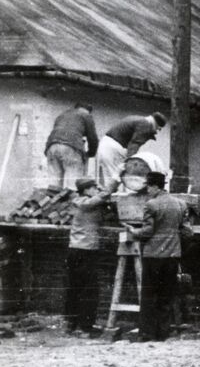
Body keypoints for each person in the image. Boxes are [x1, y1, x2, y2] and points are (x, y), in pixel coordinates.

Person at [126, 172, 192, 341]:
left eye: (148, 186)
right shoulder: (180, 204)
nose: (147, 190)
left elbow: (147, 231)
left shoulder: (151, 205)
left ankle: (147, 333)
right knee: (166, 295)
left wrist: (134, 232)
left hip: (153, 255)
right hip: (172, 255)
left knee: (149, 295)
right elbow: (187, 232)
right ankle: (163, 333)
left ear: (155, 186)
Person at [64, 178, 111, 335]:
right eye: (93, 187)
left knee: (74, 286)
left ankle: (71, 323)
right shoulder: (85, 203)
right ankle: (86, 326)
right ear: (85, 190)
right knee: (89, 288)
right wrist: (114, 181)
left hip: (74, 249)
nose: (96, 189)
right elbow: (103, 196)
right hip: (86, 251)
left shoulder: (78, 202)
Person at [97, 112, 168, 187]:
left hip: (107, 146)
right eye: (158, 129)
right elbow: (134, 145)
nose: (157, 131)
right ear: (156, 124)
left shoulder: (139, 119)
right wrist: (131, 162)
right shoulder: (145, 124)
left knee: (111, 177)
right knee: (115, 177)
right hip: (113, 149)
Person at [45, 103, 99, 189]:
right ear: (88, 110)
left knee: (54, 184)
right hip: (71, 147)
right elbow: (92, 137)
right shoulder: (85, 114)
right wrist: (91, 153)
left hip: (52, 146)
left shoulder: (62, 115)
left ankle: (52, 200)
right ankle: (73, 202)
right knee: (73, 183)